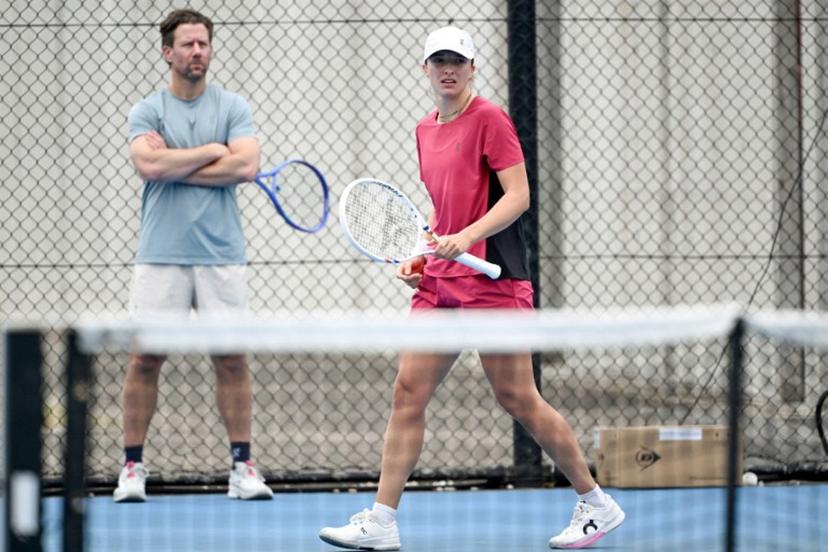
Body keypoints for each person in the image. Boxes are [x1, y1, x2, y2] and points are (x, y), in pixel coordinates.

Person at [318, 26, 624, 549]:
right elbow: (445, 210)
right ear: (425, 70)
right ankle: (382, 521)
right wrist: (424, 254)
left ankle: (597, 503)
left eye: (457, 60)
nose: (448, 69)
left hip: (495, 285)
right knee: (407, 393)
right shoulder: (424, 129)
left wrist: (468, 237)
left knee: (519, 398)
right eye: (438, 61)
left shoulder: (490, 119)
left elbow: (519, 196)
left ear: (472, 67)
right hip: (441, 285)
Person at [113, 8, 272, 503]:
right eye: (187, 44)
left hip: (222, 254)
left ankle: (243, 466)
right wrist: (212, 150)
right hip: (160, 254)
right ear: (168, 52)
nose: (197, 52)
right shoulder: (147, 109)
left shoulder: (233, 106)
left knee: (231, 358)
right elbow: (147, 164)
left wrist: (176, 161)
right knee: (145, 358)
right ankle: (132, 468)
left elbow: (246, 166)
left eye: (203, 43)